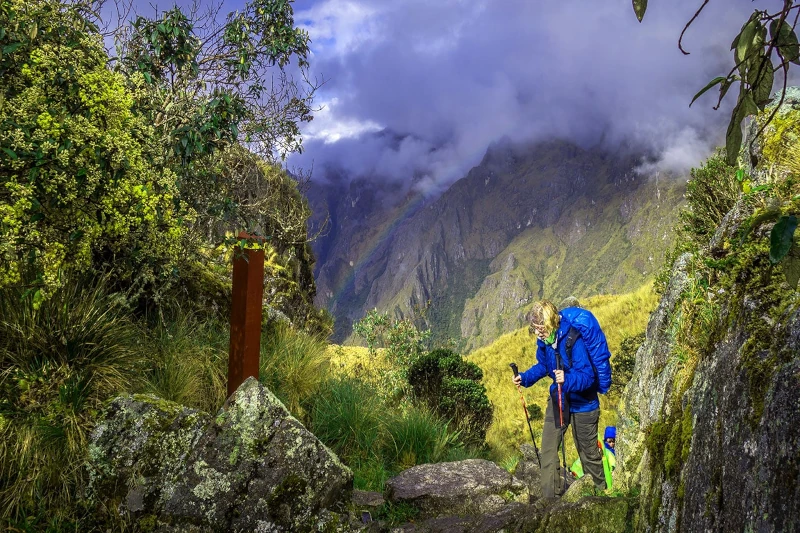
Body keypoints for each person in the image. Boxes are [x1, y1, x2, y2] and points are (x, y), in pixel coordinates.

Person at [512, 300, 607, 497]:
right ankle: (550, 502)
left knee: (589, 455)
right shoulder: (545, 341)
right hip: (559, 398)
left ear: (551, 323)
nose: (537, 333)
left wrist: (567, 379)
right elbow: (544, 365)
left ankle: (599, 500)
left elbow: (588, 376)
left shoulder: (574, 338)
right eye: (535, 328)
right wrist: (525, 377)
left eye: (540, 328)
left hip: (584, 403)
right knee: (548, 451)